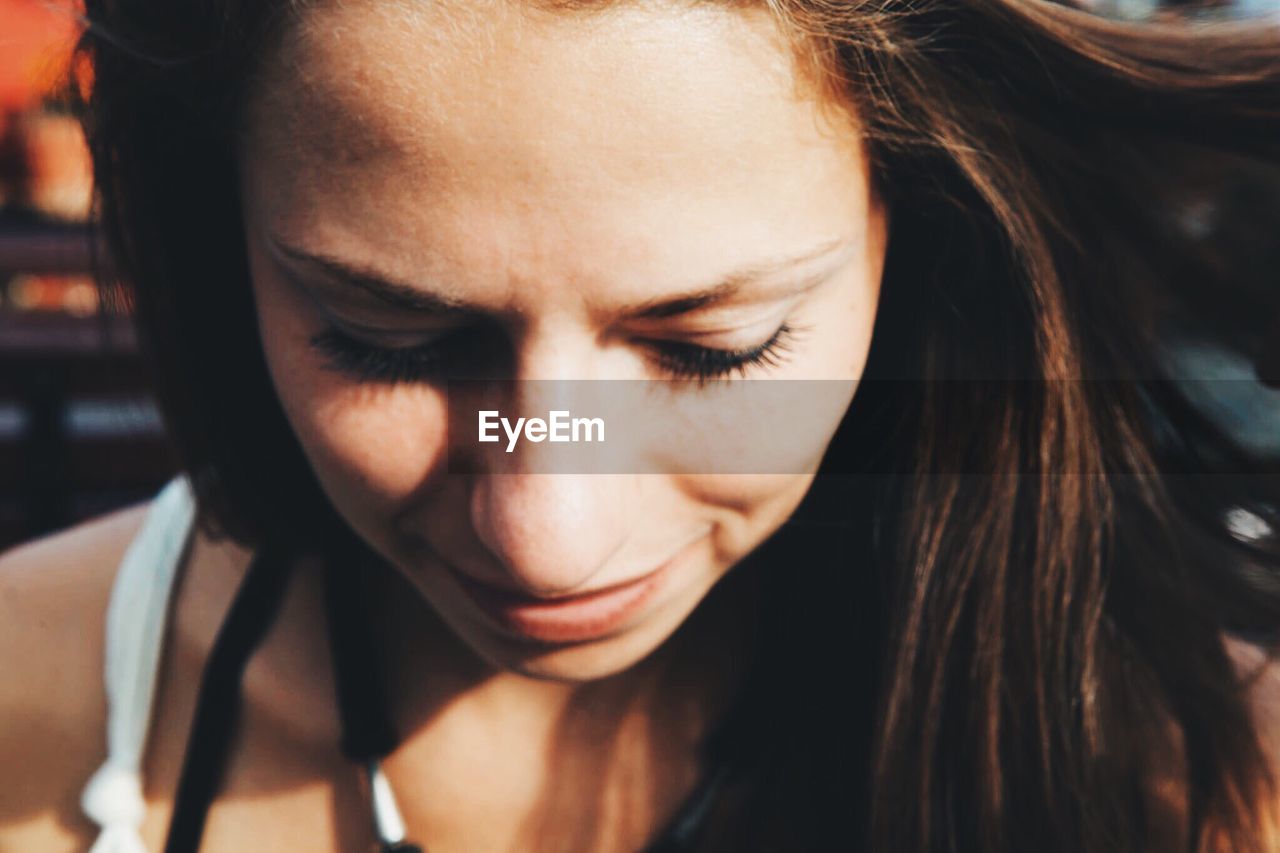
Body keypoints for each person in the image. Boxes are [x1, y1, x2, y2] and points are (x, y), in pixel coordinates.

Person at [1, 0, 1278, 850]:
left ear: (919, 230)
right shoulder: (28, 710)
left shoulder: (1201, 773)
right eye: (388, 340)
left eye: (715, 350)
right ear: (214, 233)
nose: (547, 532)